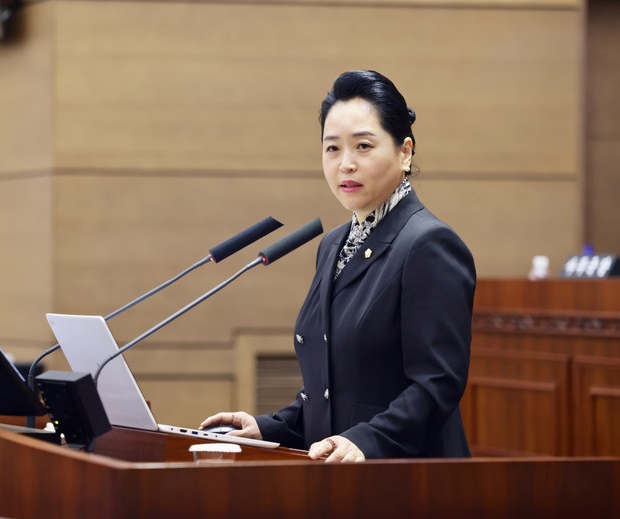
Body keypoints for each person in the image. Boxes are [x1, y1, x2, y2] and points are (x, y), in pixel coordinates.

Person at [200, 70, 476, 462]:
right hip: (339, 476)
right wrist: (268, 427)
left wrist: (367, 440)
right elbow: (333, 390)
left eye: (363, 146)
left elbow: (437, 384)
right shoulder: (333, 245)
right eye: (332, 149)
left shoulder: (428, 244)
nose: (345, 164)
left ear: (405, 152)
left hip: (410, 479)